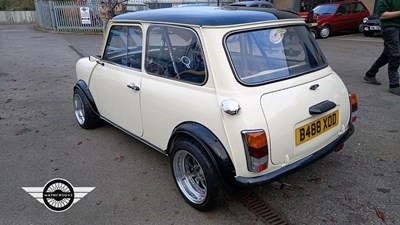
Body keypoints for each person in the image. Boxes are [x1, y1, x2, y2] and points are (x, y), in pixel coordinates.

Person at [364, 0, 400, 95]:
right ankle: (394, 85)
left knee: (387, 54)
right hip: (390, 28)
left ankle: (370, 74)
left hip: (398, 28)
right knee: (395, 55)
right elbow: (382, 15)